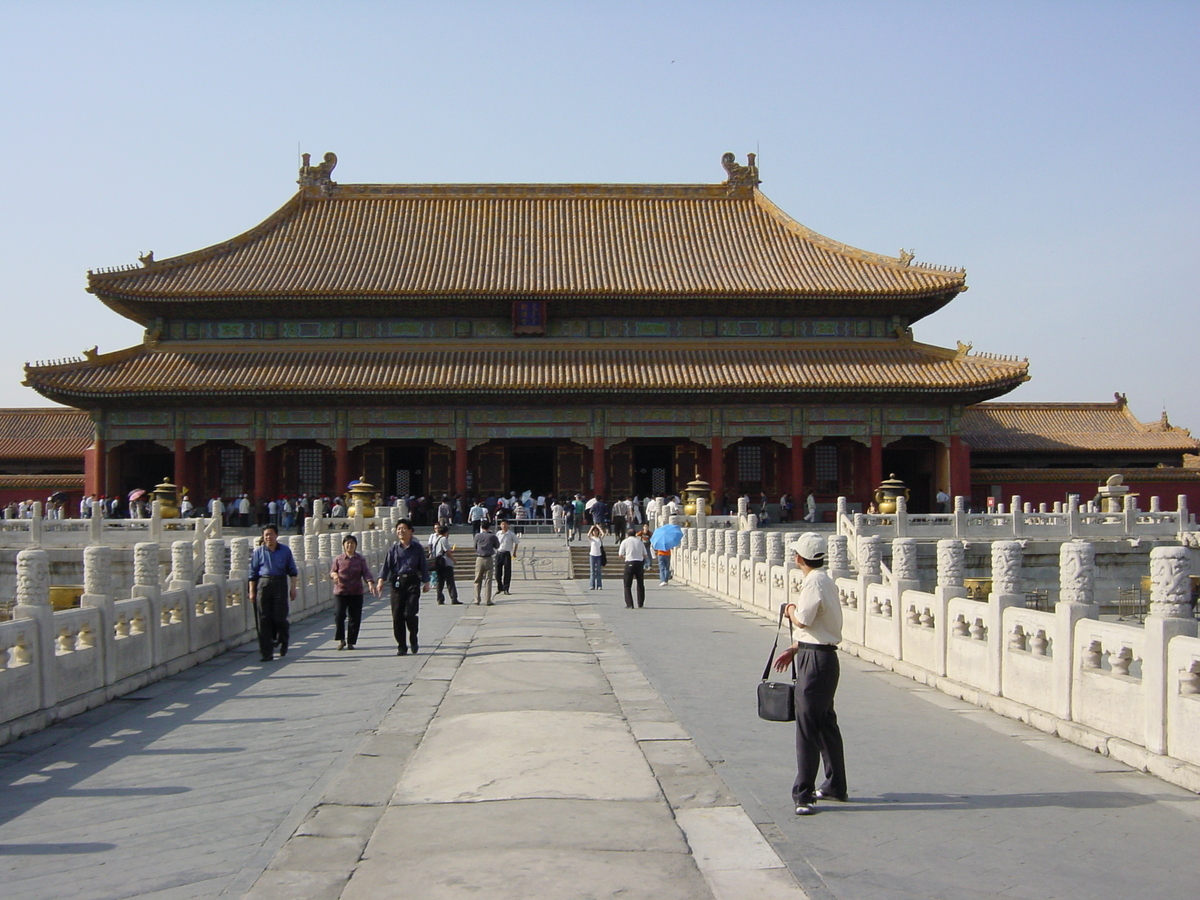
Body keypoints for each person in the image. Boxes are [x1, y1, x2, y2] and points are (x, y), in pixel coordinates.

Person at [772, 532, 847, 816]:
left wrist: (789, 608)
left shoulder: (813, 582)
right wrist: (795, 647)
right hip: (820, 656)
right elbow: (821, 624)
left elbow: (803, 618)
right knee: (825, 724)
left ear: (799, 558)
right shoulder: (825, 580)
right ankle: (835, 785)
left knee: (807, 728)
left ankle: (803, 795)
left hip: (815, 662)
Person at [376, 519, 430, 656]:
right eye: (398, 529)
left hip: (412, 581)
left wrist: (426, 581)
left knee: (410, 613)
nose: (401, 531)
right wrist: (381, 580)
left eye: (404, 528)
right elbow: (386, 566)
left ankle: (413, 635)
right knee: (397, 615)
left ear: (411, 531)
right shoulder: (393, 548)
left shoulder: (417, 548)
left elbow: (423, 565)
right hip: (397, 583)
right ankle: (401, 645)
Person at [248, 524, 298, 662]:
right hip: (263, 584)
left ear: (276, 535)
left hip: (280, 583)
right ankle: (266, 652)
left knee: (279, 617)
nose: (268, 537)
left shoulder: (285, 551)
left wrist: (293, 588)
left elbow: (292, 571)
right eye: (266, 535)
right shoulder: (258, 552)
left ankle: (283, 639)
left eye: (271, 534)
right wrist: (252, 592)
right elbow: (252, 574)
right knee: (263, 619)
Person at [330, 534, 376, 650]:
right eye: (347, 543)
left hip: (356, 591)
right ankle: (341, 639)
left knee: (354, 617)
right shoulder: (338, 559)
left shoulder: (360, 559)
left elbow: (365, 572)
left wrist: (370, 583)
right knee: (339, 615)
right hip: (341, 591)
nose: (349, 545)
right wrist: (335, 576)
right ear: (344, 545)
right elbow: (332, 571)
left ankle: (351, 641)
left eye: (352, 543)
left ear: (355, 545)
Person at [619, 526, 650, 608]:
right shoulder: (640, 542)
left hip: (629, 562)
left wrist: (626, 557)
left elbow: (620, 554)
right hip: (639, 563)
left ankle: (630, 604)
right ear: (635, 534)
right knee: (640, 584)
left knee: (627, 585)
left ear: (627, 535)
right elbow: (645, 554)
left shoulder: (625, 542)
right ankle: (640, 603)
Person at [430, 524, 460, 604]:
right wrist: (453, 559)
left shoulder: (436, 539)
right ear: (446, 532)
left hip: (438, 562)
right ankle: (454, 598)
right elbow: (447, 551)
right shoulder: (444, 539)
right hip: (445, 562)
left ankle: (440, 598)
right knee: (450, 581)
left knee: (440, 581)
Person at [473, 520, 499, 605]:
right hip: (489, 558)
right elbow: (497, 546)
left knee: (477, 579)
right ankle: (488, 600)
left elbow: (475, 546)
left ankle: (477, 599)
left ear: (481, 527)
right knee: (488, 580)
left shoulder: (477, 536)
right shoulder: (492, 536)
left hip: (479, 558)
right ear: (489, 527)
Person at [495, 519, 519, 595]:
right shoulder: (498, 533)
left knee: (507, 572)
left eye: (505, 524)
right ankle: (499, 587)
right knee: (497, 573)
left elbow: (517, 542)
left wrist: (514, 552)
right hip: (499, 553)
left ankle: (506, 588)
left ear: (508, 525)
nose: (503, 526)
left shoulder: (511, 534)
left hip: (506, 553)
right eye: (502, 524)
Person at [587, 524, 605, 590]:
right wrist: (591, 528)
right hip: (592, 555)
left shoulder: (599, 538)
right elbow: (588, 535)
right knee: (592, 571)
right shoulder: (592, 539)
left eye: (596, 531)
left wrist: (598, 527)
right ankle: (592, 585)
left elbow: (603, 534)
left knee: (598, 571)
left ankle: (599, 585)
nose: (595, 532)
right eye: (594, 531)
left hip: (599, 555)